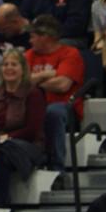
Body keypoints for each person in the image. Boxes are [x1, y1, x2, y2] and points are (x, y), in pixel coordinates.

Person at [0, 49, 47, 204]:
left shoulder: (33, 94)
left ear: (23, 69)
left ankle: (0, 205)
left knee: (0, 156)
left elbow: (32, 129)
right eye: (5, 64)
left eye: (14, 64)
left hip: (26, 144)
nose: (9, 68)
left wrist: (6, 138)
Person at [24, 15, 84, 173]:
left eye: (33, 36)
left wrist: (34, 80)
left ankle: (57, 169)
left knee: (53, 112)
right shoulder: (29, 55)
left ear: (46, 37)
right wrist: (48, 74)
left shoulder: (70, 53)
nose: (30, 41)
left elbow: (63, 85)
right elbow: (20, 83)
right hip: (34, 105)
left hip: (65, 107)